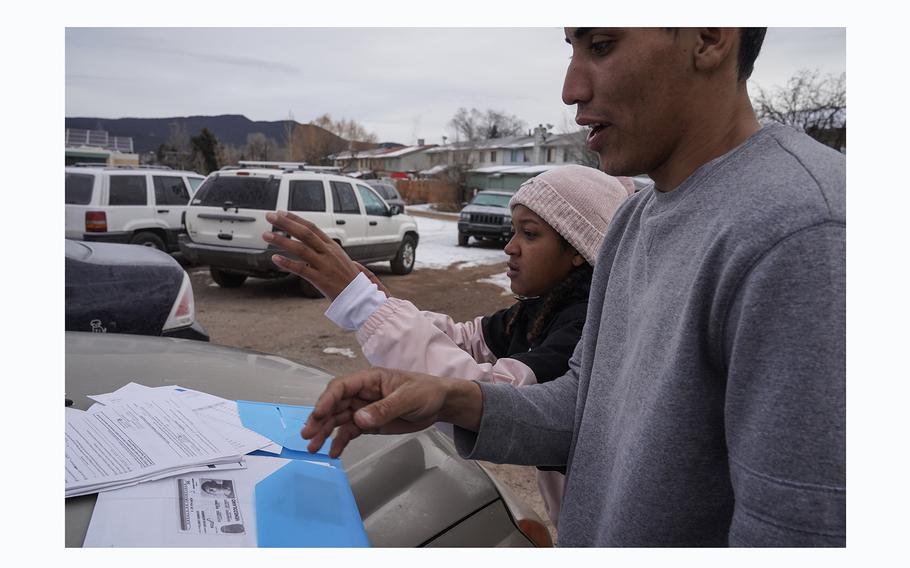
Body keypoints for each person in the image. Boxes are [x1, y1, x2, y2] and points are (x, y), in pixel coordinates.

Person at [300, 28, 845, 546]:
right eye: (571, 48)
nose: (571, 89)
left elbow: (799, 533)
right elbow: (586, 412)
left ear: (708, 36)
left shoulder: (803, 230)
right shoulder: (635, 219)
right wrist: (456, 399)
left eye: (602, 45)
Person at [262, 165, 632, 525]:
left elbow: (498, 395)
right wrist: (381, 304)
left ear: (578, 249)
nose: (509, 247)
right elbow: (466, 340)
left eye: (529, 234)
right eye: (513, 231)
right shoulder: (541, 308)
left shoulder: (583, 324)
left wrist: (367, 306)